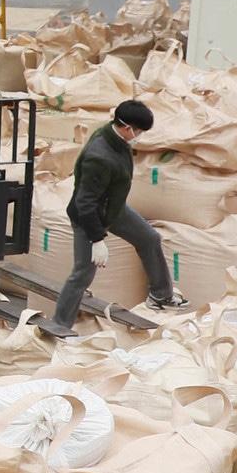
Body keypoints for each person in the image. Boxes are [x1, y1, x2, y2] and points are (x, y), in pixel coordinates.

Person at [53, 99, 189, 328]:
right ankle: (59, 325)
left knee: (149, 238)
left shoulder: (116, 138)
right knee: (83, 274)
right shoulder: (99, 157)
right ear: (127, 128)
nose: (140, 136)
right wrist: (96, 239)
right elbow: (85, 203)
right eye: (139, 132)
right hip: (89, 218)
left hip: (112, 209)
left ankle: (160, 294)